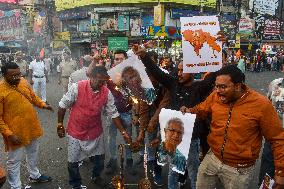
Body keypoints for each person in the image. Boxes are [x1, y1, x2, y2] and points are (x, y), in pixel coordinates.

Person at [181, 65, 284, 189]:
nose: (218, 91)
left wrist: (280, 172)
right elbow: (201, 109)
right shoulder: (215, 96)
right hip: (212, 158)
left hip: (239, 169)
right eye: (216, 86)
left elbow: (277, 139)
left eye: (223, 87)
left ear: (238, 86)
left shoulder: (261, 105)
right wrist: (189, 111)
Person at [134, 45, 216, 189]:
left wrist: (218, 50)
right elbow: (157, 72)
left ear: (191, 71)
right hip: (173, 137)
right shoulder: (173, 84)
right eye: (177, 70)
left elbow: (215, 73)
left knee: (194, 171)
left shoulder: (200, 87)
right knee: (174, 170)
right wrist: (144, 56)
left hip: (192, 138)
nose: (179, 73)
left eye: (182, 70)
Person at [57, 66, 132, 189]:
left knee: (100, 158)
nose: (102, 84)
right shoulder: (77, 87)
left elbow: (113, 113)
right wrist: (59, 124)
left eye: (104, 81)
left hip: (95, 131)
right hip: (76, 130)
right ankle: (75, 183)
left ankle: (96, 176)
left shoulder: (106, 92)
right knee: (73, 161)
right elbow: (62, 104)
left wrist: (123, 132)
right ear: (91, 77)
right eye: (100, 81)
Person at [0, 62, 54, 189]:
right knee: (14, 161)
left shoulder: (23, 82)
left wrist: (43, 105)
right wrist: (9, 134)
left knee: (33, 152)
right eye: (13, 75)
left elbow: (33, 96)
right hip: (14, 133)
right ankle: (16, 186)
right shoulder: (1, 90)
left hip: (31, 127)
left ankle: (34, 175)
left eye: (18, 74)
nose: (17, 78)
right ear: (4, 75)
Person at [103, 50, 136, 175]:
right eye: (116, 59)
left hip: (126, 112)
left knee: (128, 138)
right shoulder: (108, 75)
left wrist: (136, 114)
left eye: (121, 59)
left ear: (126, 60)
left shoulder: (132, 74)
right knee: (111, 137)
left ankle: (129, 161)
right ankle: (113, 160)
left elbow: (137, 93)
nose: (118, 61)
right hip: (112, 113)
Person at [156, 118, 186, 189]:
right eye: (172, 130)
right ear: (165, 131)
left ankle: (181, 179)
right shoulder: (160, 147)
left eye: (179, 132)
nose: (176, 135)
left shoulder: (181, 157)